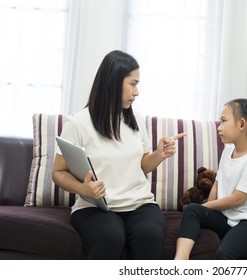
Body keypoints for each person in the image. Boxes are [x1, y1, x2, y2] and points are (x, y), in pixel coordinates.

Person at [52, 50, 185, 259]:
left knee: (149, 235)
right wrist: (82, 188)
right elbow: (58, 172)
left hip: (140, 204)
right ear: (113, 82)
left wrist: (159, 154)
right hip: (95, 207)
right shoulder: (78, 124)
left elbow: (142, 166)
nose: (137, 92)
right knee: (111, 237)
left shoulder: (137, 119)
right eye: (133, 83)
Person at [174, 98, 247, 260]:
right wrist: (205, 209)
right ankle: (180, 260)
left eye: (224, 121)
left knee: (224, 253)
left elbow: (237, 199)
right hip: (228, 217)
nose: (219, 128)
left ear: (241, 124)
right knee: (193, 209)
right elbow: (217, 184)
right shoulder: (228, 151)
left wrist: (207, 206)